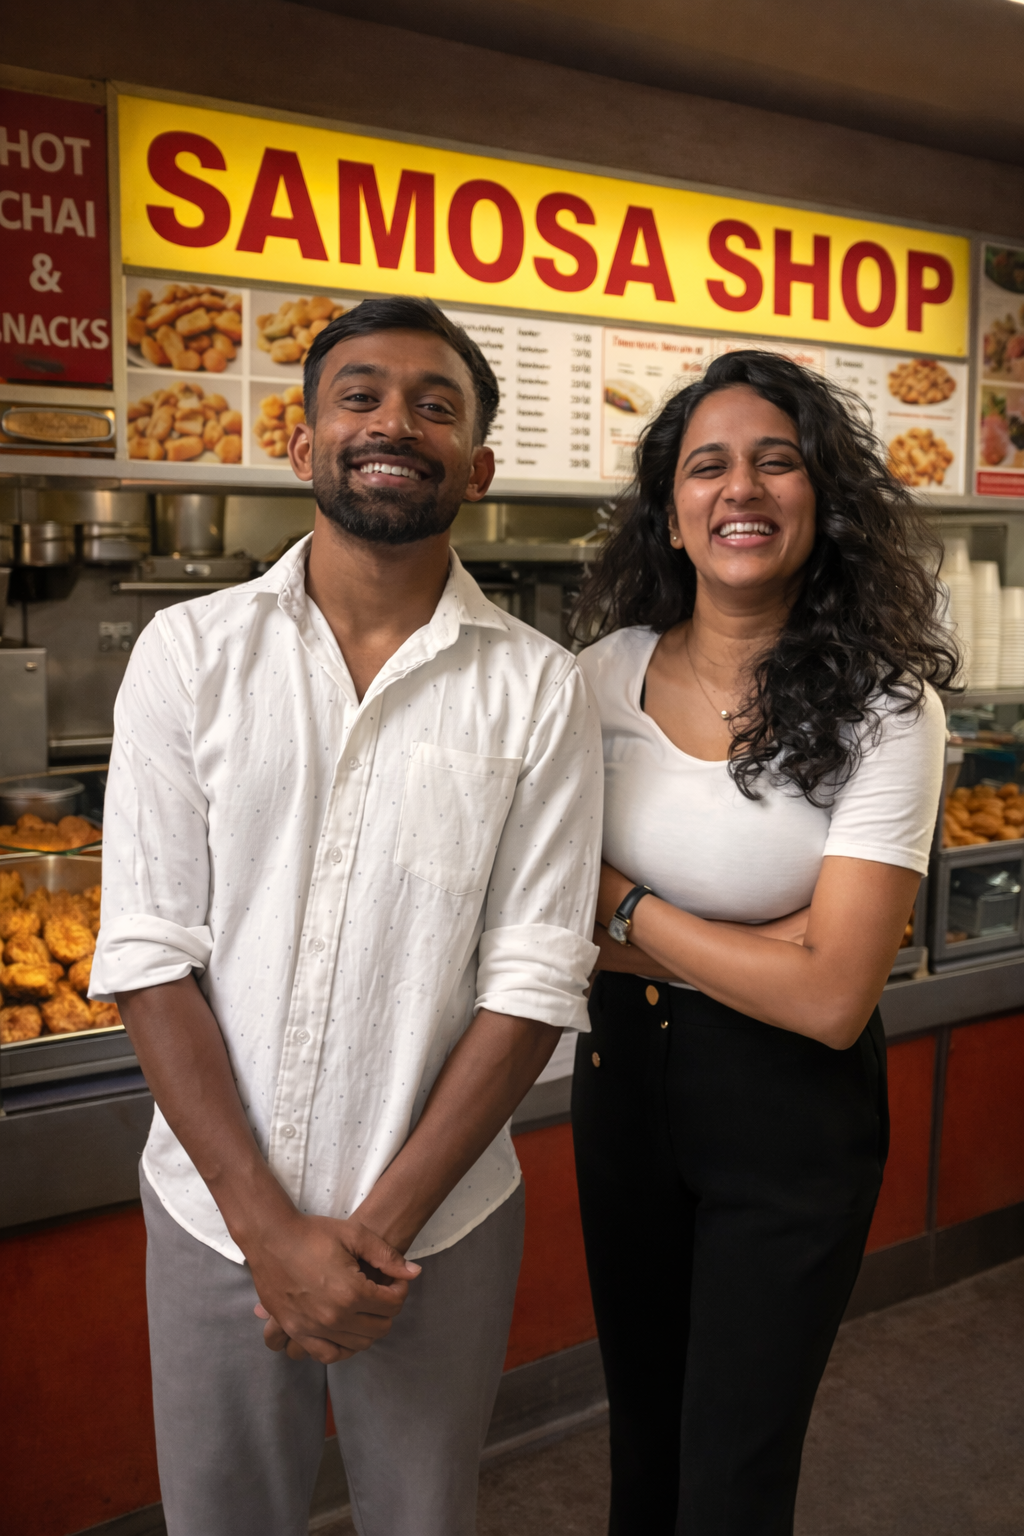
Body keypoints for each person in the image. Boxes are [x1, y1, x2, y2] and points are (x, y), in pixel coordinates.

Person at [90, 296, 603, 1536]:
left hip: (439, 1222)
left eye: (437, 405)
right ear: (303, 438)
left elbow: (531, 980)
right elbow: (151, 954)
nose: (395, 423)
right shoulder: (187, 653)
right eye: (360, 395)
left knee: (424, 1522)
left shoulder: (540, 689)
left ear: (475, 467)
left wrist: (364, 1240)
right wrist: (268, 1232)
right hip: (214, 1215)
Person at [570, 349, 955, 1536]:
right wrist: (767, 944)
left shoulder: (888, 706)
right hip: (622, 1087)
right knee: (641, 1436)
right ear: (671, 513)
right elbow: (538, 906)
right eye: (708, 466)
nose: (741, 488)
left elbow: (834, 998)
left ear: (819, 499)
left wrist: (626, 910)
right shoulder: (592, 680)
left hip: (791, 1118)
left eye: (775, 461)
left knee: (732, 1474)